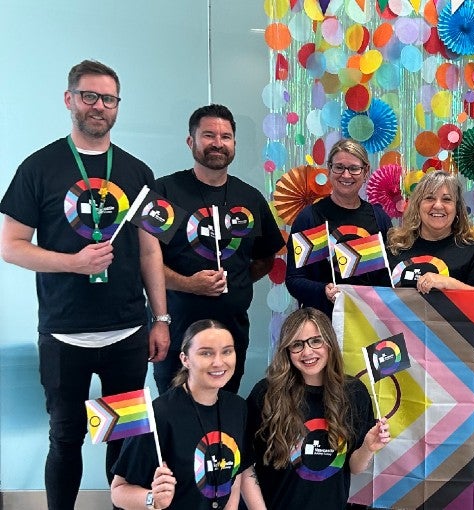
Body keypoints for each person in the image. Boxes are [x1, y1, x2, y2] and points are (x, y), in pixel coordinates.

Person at [0, 59, 169, 510]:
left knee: (125, 441)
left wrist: (162, 318)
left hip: (129, 331)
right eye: (89, 96)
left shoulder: (136, 172)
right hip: (63, 333)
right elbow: (12, 246)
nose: (99, 107)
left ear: (118, 106)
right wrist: (73, 263)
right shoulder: (39, 167)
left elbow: (151, 251)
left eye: (108, 99)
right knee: (65, 439)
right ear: (69, 99)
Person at [152, 104, 284, 394]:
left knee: (223, 415)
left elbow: (266, 258)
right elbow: (144, 261)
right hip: (177, 333)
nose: (217, 143)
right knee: (176, 415)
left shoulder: (250, 197)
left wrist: (236, 282)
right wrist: (188, 284)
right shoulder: (163, 192)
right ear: (191, 141)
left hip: (231, 334)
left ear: (234, 143)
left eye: (225, 137)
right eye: (208, 135)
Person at [241, 307, 390, 509]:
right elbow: (244, 464)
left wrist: (368, 447)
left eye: (316, 341)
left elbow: (354, 468)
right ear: (287, 350)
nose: (307, 351)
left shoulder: (354, 392)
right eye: (297, 344)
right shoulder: (266, 393)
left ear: (329, 343)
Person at [111, 319, 248, 510]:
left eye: (227, 351)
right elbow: (118, 491)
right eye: (206, 353)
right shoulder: (160, 414)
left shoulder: (237, 407)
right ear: (185, 359)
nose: (218, 362)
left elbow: (236, 475)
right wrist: (152, 499)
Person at [285, 139, 392, 316]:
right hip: (322, 323)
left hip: (368, 322)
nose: (346, 175)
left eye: (354, 168)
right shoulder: (311, 218)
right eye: (339, 167)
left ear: (366, 172)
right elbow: (295, 279)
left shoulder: (379, 219)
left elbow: (387, 280)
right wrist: (323, 290)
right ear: (329, 169)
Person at [386, 170, 474, 292]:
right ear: (417, 205)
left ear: (457, 208)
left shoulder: (473, 252)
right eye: (430, 198)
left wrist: (449, 283)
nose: (438, 205)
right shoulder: (395, 249)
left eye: (446, 199)